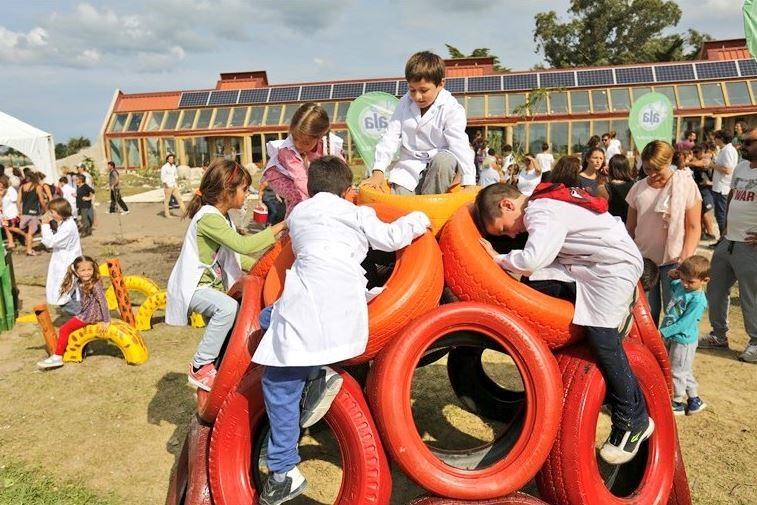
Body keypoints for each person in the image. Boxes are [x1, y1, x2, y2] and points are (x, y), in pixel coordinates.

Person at [252, 156, 430, 503]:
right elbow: (391, 238)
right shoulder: (357, 213)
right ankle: (317, 375)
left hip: (310, 313)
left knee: (277, 383)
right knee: (268, 322)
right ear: (348, 191)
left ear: (311, 188)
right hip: (348, 315)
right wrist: (421, 217)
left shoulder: (299, 213)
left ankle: (283, 470)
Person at [474, 183, 652, 465]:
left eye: (503, 228)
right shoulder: (542, 205)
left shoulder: (541, 210)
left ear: (507, 205)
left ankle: (634, 419)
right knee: (534, 282)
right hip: (584, 265)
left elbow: (533, 258)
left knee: (603, 341)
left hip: (612, 267)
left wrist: (497, 258)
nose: (511, 233)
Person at [165, 159, 287, 392]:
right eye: (244, 189)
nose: (247, 194)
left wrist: (270, 269)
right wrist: (281, 226)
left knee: (231, 324)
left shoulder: (222, 217)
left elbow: (238, 259)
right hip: (194, 288)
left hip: (211, 288)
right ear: (227, 191)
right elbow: (243, 245)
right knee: (228, 309)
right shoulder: (208, 218)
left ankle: (215, 370)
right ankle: (199, 366)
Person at [362, 51, 475, 195]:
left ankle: (432, 208)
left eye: (424, 90)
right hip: (409, 167)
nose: (417, 96)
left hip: (439, 166)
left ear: (441, 84)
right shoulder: (404, 103)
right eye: (412, 90)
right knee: (402, 200)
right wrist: (378, 171)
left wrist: (469, 181)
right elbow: (390, 137)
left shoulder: (452, 108)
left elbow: (459, 144)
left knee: (444, 161)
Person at [626, 140, 702, 325]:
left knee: (673, 314)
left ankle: (668, 352)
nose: (651, 174)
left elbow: (693, 227)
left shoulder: (686, 185)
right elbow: (630, 227)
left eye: (656, 169)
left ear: (669, 162)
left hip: (674, 261)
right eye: (647, 169)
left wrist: (684, 261)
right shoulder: (638, 188)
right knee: (645, 316)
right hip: (644, 262)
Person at [698, 128, 757, 363]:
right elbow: (732, 194)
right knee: (715, 289)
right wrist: (725, 227)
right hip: (729, 240)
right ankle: (719, 335)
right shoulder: (742, 167)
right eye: (742, 142)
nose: (743, 145)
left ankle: (755, 341)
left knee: (750, 296)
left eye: (749, 142)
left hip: (750, 245)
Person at [261, 102, 343, 217]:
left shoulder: (328, 145)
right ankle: (289, 228)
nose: (298, 145)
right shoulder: (288, 150)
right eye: (295, 138)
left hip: (305, 179)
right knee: (299, 198)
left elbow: (341, 171)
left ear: (319, 137)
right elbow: (300, 179)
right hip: (280, 175)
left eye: (305, 142)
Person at [36, 256, 110, 370]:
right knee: (76, 328)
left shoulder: (94, 284)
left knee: (64, 329)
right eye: (83, 270)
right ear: (77, 271)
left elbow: (103, 301)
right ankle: (86, 349)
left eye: (89, 270)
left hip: (91, 315)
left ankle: (57, 357)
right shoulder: (81, 280)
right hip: (87, 312)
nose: (86, 273)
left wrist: (106, 321)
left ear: (94, 269)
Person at [660, 255, 710, 415]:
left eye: (690, 282)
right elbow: (675, 287)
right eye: (683, 279)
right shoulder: (682, 287)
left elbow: (684, 324)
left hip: (684, 341)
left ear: (705, 280)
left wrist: (663, 332)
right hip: (674, 337)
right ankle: (695, 400)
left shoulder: (698, 300)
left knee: (677, 371)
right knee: (683, 369)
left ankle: (677, 402)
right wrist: (672, 277)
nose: (685, 284)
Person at [39, 198, 82, 313]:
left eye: (52, 212)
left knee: (61, 298)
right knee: (71, 293)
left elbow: (50, 242)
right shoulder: (65, 223)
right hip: (64, 262)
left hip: (66, 265)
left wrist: (45, 225)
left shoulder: (68, 227)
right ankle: (83, 319)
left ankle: (85, 318)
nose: (50, 215)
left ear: (60, 213)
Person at [709, 130, 738, 238]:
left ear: (721, 138)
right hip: (719, 187)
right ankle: (722, 239)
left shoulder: (728, 150)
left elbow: (728, 170)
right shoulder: (724, 150)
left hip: (723, 188)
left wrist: (712, 165)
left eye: (716, 137)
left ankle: (722, 240)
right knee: (720, 215)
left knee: (721, 215)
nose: (714, 140)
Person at [18, 172, 47, 256]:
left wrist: (20, 211)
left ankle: (29, 249)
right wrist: (46, 209)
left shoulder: (22, 187)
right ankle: (29, 250)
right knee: (31, 232)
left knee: (28, 232)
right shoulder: (37, 187)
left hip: (25, 212)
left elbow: (18, 201)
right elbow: (41, 200)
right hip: (34, 212)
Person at [605, 154, 636, 222]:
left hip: (614, 224)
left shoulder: (607, 187)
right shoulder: (634, 184)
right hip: (631, 223)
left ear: (611, 168)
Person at [161, 154, 186, 218]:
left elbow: (175, 176)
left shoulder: (174, 166)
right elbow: (163, 177)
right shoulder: (164, 167)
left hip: (174, 185)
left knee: (179, 199)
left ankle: (185, 212)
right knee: (167, 201)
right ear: (167, 160)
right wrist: (166, 185)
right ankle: (167, 214)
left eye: (172, 159)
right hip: (168, 186)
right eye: (170, 159)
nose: (171, 160)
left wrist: (176, 184)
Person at [0, 176, 21, 250]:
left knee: (11, 228)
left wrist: (19, 212)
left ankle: (26, 235)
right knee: (7, 228)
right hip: (5, 214)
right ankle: (11, 243)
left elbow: (16, 201)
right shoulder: (3, 192)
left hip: (12, 213)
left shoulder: (11, 190)